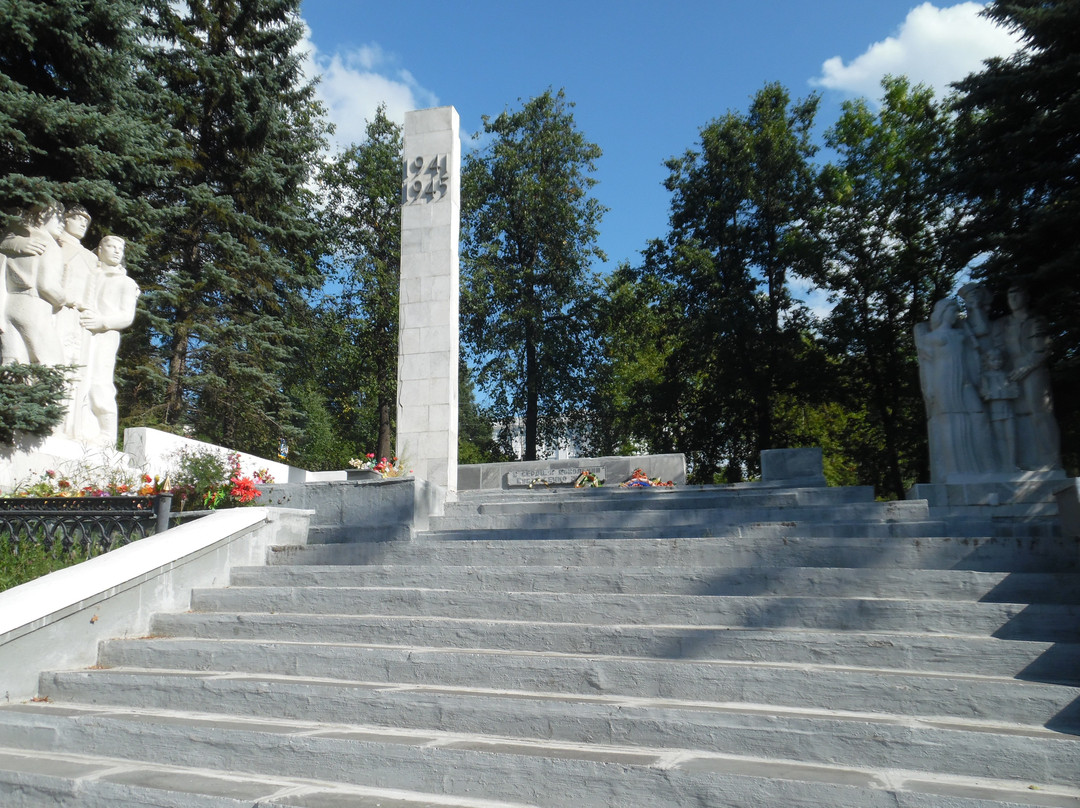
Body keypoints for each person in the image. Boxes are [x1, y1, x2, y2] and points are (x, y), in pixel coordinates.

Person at [914, 297, 995, 480]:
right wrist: (929, 387)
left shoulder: (961, 335)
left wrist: (974, 307)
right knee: (950, 422)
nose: (956, 315)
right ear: (943, 312)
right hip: (944, 381)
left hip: (965, 380)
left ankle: (985, 465)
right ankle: (954, 468)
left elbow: (981, 335)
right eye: (953, 311)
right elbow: (927, 366)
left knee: (979, 417)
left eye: (957, 312)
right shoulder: (930, 338)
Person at [77, 235, 139, 446]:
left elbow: (127, 317)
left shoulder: (126, 283)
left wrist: (102, 322)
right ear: (100, 250)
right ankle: (80, 426)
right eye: (111, 246)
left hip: (105, 334)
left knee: (99, 381)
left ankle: (106, 434)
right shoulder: (89, 275)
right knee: (79, 379)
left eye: (119, 249)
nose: (116, 251)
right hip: (81, 332)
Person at [999, 283, 1061, 470]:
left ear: (1026, 297)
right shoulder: (1004, 324)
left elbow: (1042, 349)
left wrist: (1025, 367)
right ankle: (1029, 460)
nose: (1013, 299)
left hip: (1033, 370)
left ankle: (1051, 460)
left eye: (1017, 294)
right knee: (1019, 415)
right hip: (1011, 373)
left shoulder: (1036, 320)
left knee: (1040, 413)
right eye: (1010, 295)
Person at [0, 204, 66, 366]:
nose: (63, 223)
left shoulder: (12, 241)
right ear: (42, 216)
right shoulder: (48, 244)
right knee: (52, 363)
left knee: (13, 362)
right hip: (34, 307)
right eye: (58, 217)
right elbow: (47, 286)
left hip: (9, 306)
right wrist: (62, 299)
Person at [978, 349, 1019, 471]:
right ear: (987, 362)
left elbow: (1015, 391)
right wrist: (990, 394)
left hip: (1008, 410)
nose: (997, 362)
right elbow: (984, 393)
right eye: (993, 360)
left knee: (1011, 437)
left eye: (999, 359)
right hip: (995, 411)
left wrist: (1004, 392)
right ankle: (1004, 464)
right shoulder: (985, 377)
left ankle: (1012, 463)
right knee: (1000, 438)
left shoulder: (1007, 375)